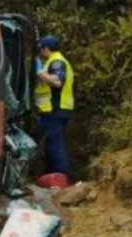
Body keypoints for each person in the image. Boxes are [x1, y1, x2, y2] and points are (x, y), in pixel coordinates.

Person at [34, 35, 74, 175]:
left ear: (45, 48)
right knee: (52, 144)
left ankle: (62, 178)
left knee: (55, 145)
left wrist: (40, 72)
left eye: (41, 49)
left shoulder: (56, 62)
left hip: (55, 109)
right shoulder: (53, 61)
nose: (40, 52)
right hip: (55, 110)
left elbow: (57, 82)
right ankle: (54, 178)